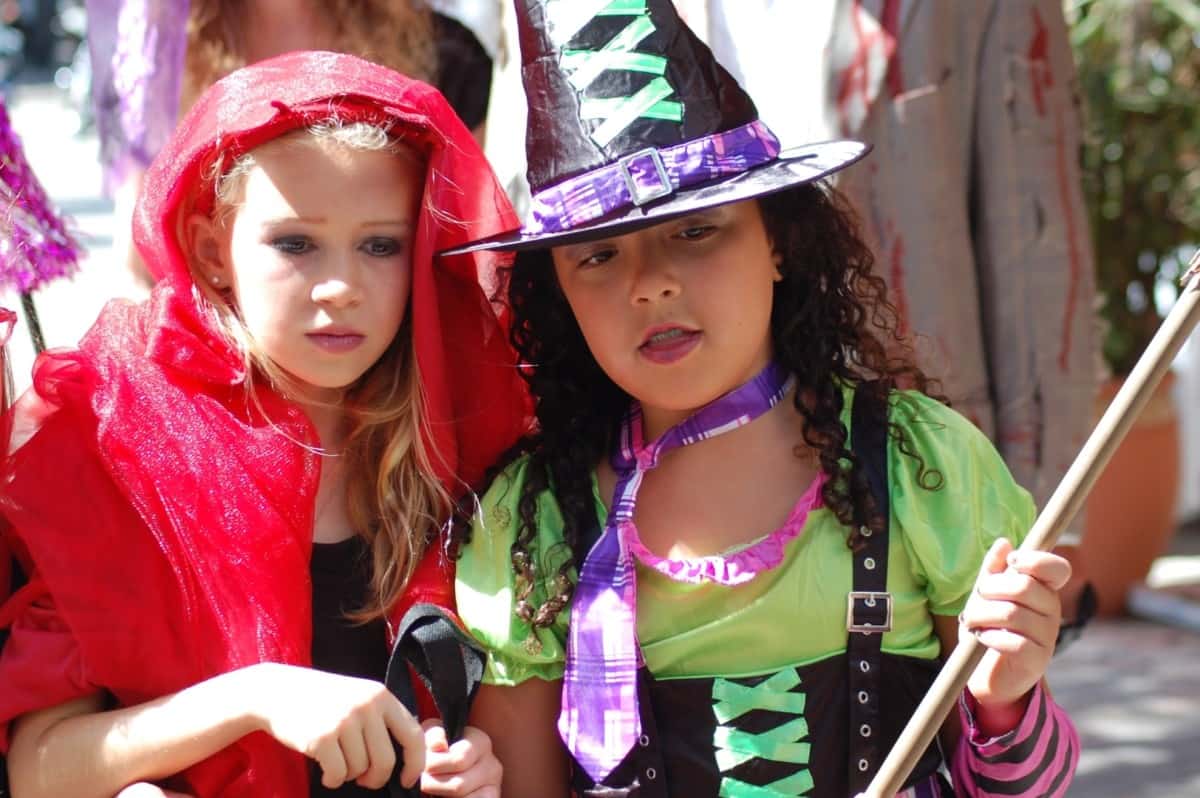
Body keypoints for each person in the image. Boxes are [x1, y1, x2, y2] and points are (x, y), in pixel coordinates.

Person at [448, 2, 1079, 796]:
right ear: (559, 295)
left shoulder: (919, 469)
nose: (652, 283)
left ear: (777, 240)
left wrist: (1005, 699)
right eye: (598, 255)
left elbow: (1031, 785)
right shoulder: (531, 523)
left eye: (696, 230)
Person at [0, 51, 527, 797]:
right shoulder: (110, 434)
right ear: (214, 250)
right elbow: (38, 767)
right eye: (295, 244)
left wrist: (470, 762)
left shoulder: (458, 429)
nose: (341, 286)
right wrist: (254, 698)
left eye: (381, 245)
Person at [88, 0, 499, 290]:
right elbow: (138, 260)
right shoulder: (160, 57)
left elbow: (470, 253)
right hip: (225, 368)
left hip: (395, 378)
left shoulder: (445, 54)